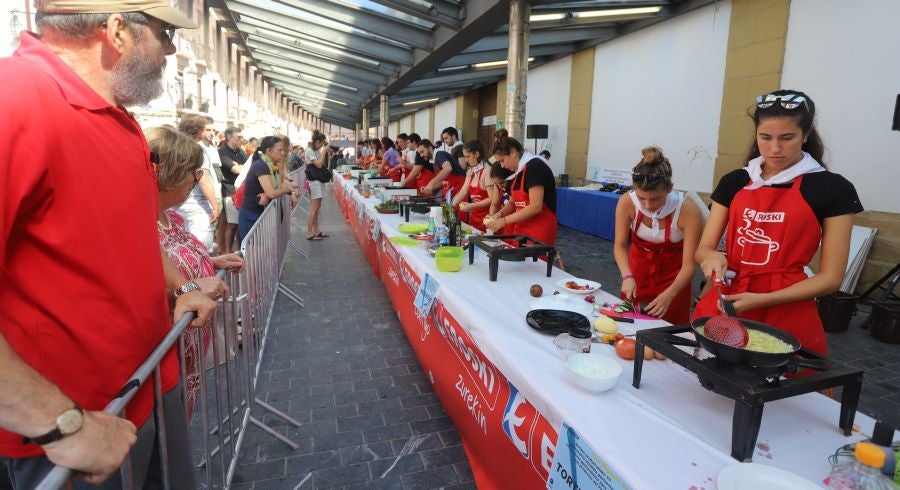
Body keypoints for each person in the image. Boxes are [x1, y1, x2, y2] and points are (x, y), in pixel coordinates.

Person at [0, 2, 217, 487]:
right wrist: (59, 423)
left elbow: (128, 235)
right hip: (73, 434)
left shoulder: (116, 117)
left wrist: (181, 286)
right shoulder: (15, 97)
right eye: (164, 34)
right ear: (118, 31)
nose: (171, 49)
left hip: (146, 389)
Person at [694, 90, 862, 354]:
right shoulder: (735, 181)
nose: (774, 148)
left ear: (805, 135)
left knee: (781, 384)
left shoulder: (832, 188)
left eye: (787, 138)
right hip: (726, 298)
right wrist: (711, 257)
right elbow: (703, 248)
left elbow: (831, 278)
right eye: (765, 137)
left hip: (788, 304)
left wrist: (764, 299)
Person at [148, 126, 244, 420]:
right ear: (170, 173)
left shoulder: (168, 216)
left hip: (187, 356)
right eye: (195, 173)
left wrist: (211, 261)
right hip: (166, 359)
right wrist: (191, 288)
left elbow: (173, 266)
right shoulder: (137, 225)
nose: (196, 180)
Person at [613, 147, 702, 324]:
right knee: (630, 328)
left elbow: (690, 264)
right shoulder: (627, 202)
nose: (647, 205)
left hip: (675, 280)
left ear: (670, 188)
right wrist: (627, 276)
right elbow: (620, 246)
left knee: (670, 333)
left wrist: (671, 293)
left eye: (655, 199)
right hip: (637, 274)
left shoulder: (687, 210)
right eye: (641, 198)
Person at [484, 129, 558, 245]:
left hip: (539, 231)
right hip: (521, 230)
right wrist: (498, 215)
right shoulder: (518, 172)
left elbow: (535, 207)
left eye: (502, 161)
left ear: (513, 152)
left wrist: (504, 221)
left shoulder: (535, 167)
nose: (502, 166)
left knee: (535, 263)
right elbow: (513, 203)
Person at [175, 114, 220, 251]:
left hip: (174, 205)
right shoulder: (197, 149)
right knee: (200, 252)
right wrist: (215, 205)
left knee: (181, 252)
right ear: (200, 130)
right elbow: (203, 178)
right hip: (196, 207)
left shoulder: (173, 146)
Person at [238, 136, 295, 239]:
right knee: (254, 252)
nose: (283, 153)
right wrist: (286, 189)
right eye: (280, 150)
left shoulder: (271, 165)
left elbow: (276, 188)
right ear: (269, 151)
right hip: (252, 216)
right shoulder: (261, 165)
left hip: (260, 215)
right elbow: (272, 193)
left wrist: (287, 189)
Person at [451, 140, 497, 231]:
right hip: (474, 219)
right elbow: (463, 191)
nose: (466, 160)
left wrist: (471, 206)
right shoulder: (471, 172)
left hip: (488, 219)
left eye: (468, 156)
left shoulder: (487, 172)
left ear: (476, 154)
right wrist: (452, 204)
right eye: (464, 157)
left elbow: (492, 199)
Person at [218, 126, 245, 254]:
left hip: (240, 192)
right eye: (239, 137)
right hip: (229, 191)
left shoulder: (240, 152)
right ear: (229, 137)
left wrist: (239, 166)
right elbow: (238, 170)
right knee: (232, 224)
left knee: (238, 224)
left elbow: (246, 168)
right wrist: (239, 166)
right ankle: (227, 252)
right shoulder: (222, 152)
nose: (242, 140)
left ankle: (239, 250)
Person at [305, 130, 332, 240]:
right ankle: (309, 232)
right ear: (317, 141)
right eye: (321, 143)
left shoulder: (315, 151)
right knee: (314, 207)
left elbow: (322, 163)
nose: (322, 145)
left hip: (318, 180)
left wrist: (324, 152)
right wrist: (324, 151)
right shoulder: (309, 151)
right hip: (314, 181)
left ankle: (316, 231)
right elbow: (319, 164)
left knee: (317, 207)